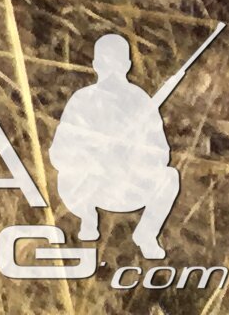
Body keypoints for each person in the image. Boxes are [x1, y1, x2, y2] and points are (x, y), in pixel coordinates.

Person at [52, 33, 184, 260]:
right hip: (91, 187)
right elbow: (58, 153)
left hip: (129, 187)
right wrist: (91, 155)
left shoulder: (141, 100)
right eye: (105, 62)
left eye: (116, 62)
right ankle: (87, 217)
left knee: (169, 177)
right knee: (65, 176)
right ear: (96, 65)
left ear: (127, 65)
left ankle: (147, 234)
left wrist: (131, 154)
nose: (111, 69)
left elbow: (161, 154)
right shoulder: (81, 100)